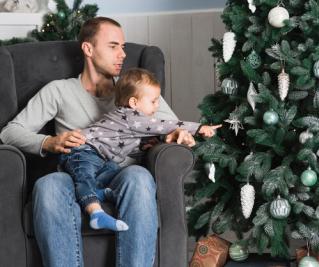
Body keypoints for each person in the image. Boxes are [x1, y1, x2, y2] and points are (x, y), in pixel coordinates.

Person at [0, 17, 196, 267]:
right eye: (113, 46)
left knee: (138, 177)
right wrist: (50, 141)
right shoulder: (59, 91)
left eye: (123, 47)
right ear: (88, 49)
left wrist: (174, 135)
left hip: (121, 174)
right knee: (48, 185)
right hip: (73, 174)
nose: (122, 54)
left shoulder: (133, 90)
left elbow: (171, 124)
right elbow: (10, 132)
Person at [60, 68, 220, 232]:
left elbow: (143, 143)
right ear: (134, 103)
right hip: (81, 150)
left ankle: (99, 193)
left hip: (100, 158)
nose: (157, 106)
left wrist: (166, 139)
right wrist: (199, 127)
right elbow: (164, 125)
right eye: (153, 101)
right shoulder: (131, 117)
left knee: (113, 171)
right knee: (84, 177)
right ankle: (96, 213)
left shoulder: (133, 126)